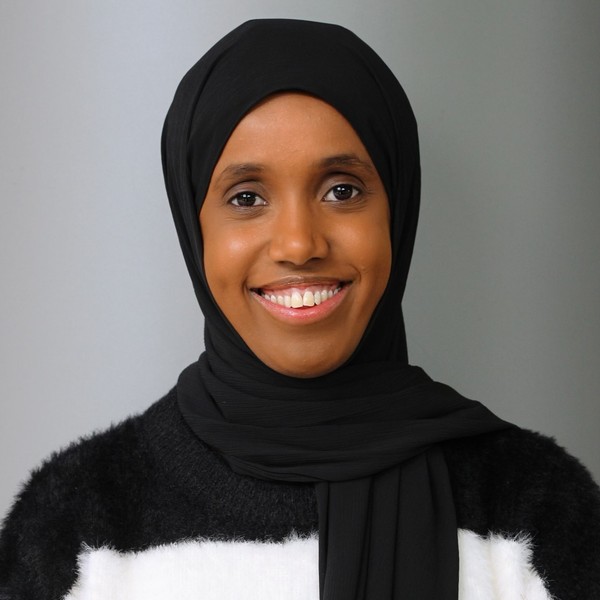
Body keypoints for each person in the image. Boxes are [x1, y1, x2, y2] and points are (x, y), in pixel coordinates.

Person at [0, 18, 598, 600]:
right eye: (247, 198)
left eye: (342, 190)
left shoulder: (533, 509)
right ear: (193, 225)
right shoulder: (79, 524)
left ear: (398, 210)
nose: (298, 244)